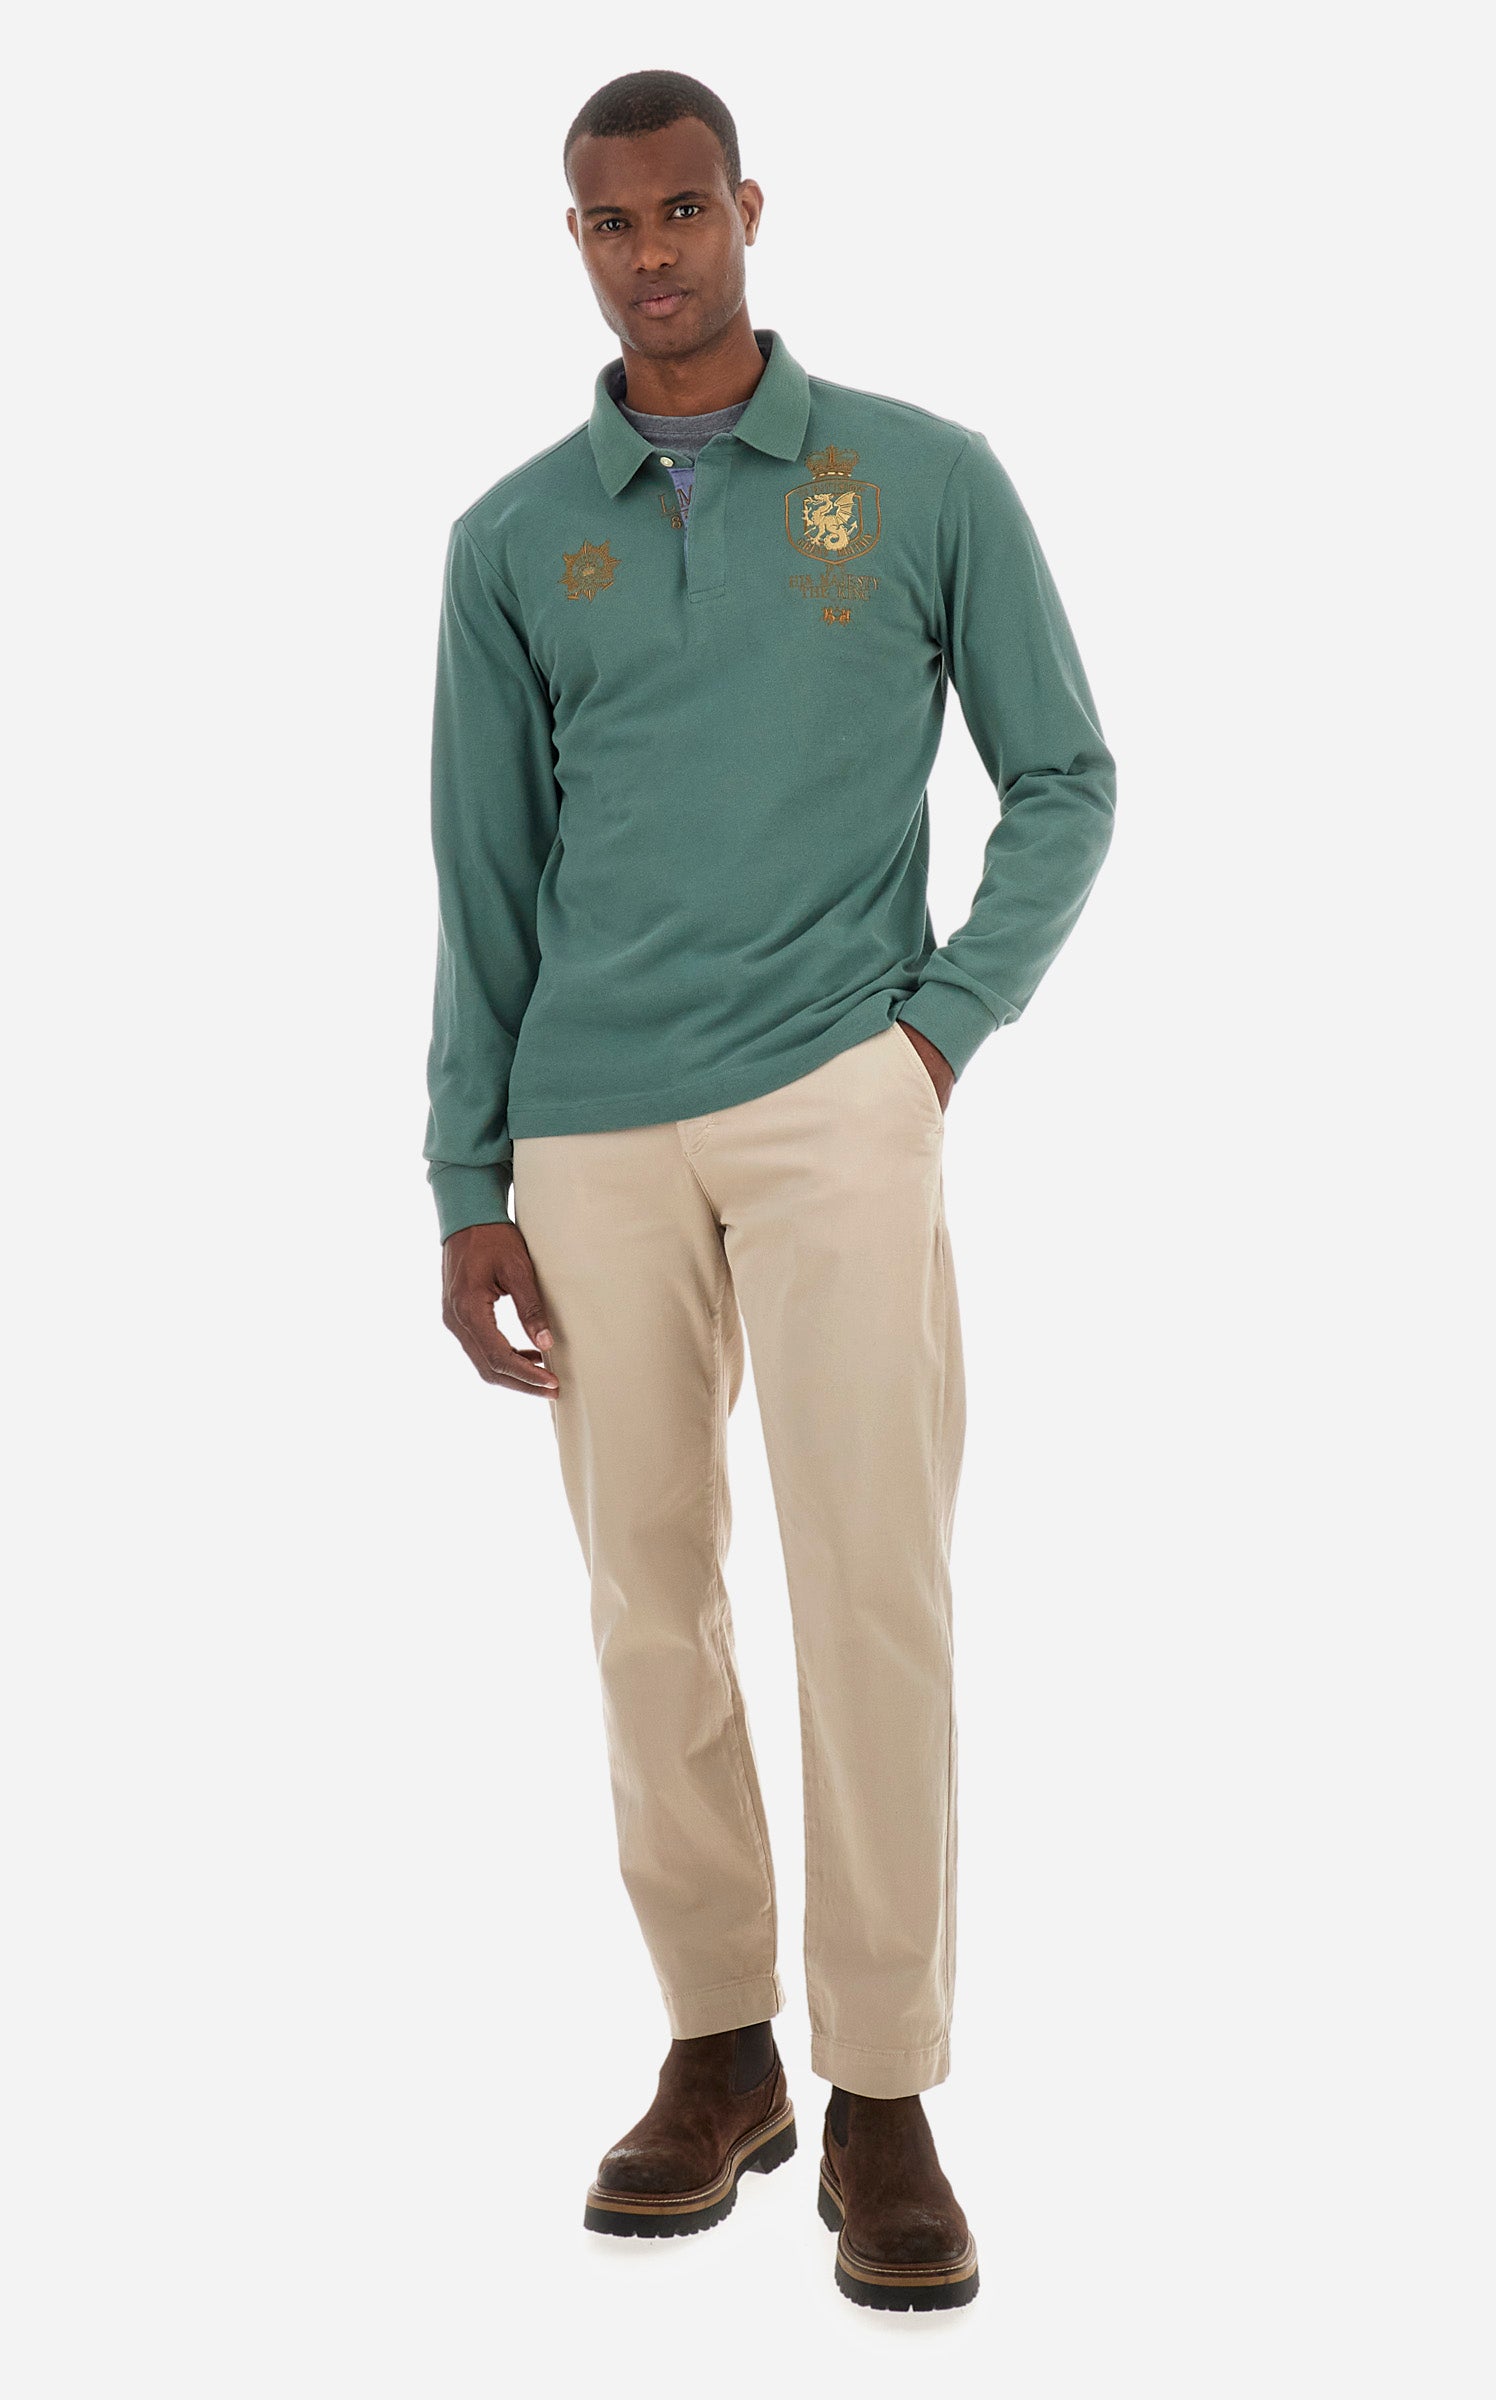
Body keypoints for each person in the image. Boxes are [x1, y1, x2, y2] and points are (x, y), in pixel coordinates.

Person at [422, 67, 1115, 2312]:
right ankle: (718, 2048)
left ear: (746, 209)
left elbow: (1063, 777)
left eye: (683, 210)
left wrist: (935, 1035)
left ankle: (882, 2090)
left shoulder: (919, 478)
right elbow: (482, 881)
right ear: (575, 241)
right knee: (645, 1595)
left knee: (868, 1584)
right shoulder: (512, 541)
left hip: (838, 1093)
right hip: (588, 1123)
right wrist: (465, 1175)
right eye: (608, 222)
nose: (652, 252)